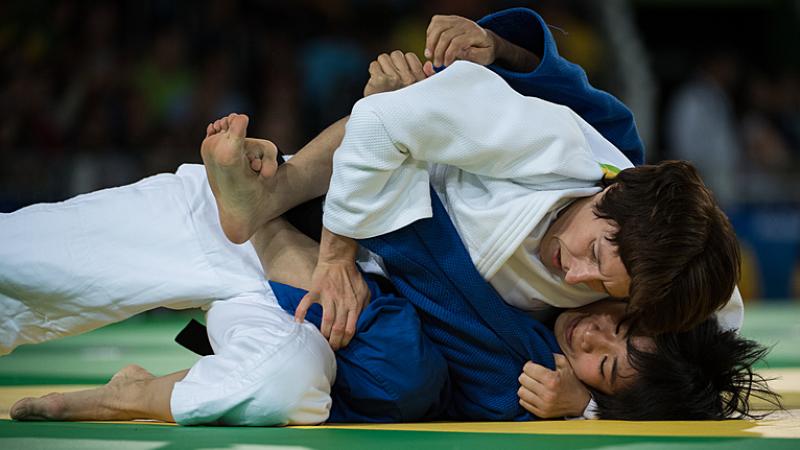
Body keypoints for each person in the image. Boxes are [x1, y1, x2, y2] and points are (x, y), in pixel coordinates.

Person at [5, 154, 775, 423]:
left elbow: (640, 383)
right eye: (617, 325)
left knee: (285, 390)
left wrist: (593, 400)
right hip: (228, 221)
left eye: (605, 362)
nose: (591, 333)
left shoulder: (529, 380)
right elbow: (720, 304)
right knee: (19, 260)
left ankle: (135, 393)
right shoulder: (589, 218)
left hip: (293, 311)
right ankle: (264, 226)